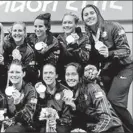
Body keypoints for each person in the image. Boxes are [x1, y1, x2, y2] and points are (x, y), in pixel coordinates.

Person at [81, 4, 133, 132]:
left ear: (97, 13)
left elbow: (126, 50)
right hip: (107, 70)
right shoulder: (87, 35)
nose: (89, 16)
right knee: (107, 103)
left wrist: (109, 53)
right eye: (85, 15)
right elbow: (91, 58)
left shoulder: (113, 26)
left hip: (124, 68)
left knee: (115, 101)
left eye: (91, 13)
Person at [64, 62, 123, 132]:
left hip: (111, 130)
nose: (70, 78)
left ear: (80, 76)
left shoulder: (93, 89)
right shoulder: (75, 91)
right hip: (94, 127)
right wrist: (74, 108)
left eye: (73, 74)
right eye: (67, 74)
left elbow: (107, 118)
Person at [32, 64, 72, 133]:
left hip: (59, 125)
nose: (48, 76)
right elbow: (34, 117)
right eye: (45, 73)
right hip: (41, 126)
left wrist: (56, 121)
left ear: (56, 75)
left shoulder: (65, 91)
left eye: (51, 73)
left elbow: (67, 119)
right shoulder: (36, 90)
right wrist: (42, 98)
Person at [3, 59, 37, 132]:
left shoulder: (30, 90)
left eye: (17, 72)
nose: (14, 75)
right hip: (10, 123)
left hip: (26, 126)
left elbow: (28, 118)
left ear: (23, 74)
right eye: (11, 72)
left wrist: (18, 104)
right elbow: (4, 111)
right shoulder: (7, 89)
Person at [57, 12, 90, 82]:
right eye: (64, 23)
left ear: (76, 24)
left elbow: (85, 59)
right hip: (63, 76)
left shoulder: (84, 38)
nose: (67, 25)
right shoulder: (59, 38)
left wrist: (76, 46)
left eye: (70, 22)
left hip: (79, 76)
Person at [29, 13, 61, 82]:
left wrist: (44, 53)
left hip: (48, 76)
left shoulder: (54, 42)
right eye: (35, 26)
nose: (37, 29)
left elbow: (53, 64)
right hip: (33, 74)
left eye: (40, 26)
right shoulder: (30, 39)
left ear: (46, 27)